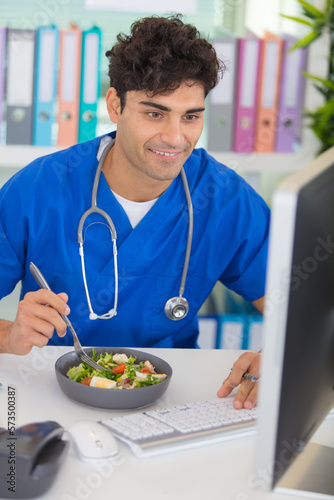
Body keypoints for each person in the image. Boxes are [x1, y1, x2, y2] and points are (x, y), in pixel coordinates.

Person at [0, 15, 268, 409]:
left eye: (191, 116)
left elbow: (305, 308)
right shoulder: (38, 189)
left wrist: (279, 358)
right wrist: (9, 337)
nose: (175, 138)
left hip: (174, 401)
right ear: (115, 105)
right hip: (48, 391)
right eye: (155, 113)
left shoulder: (224, 198)